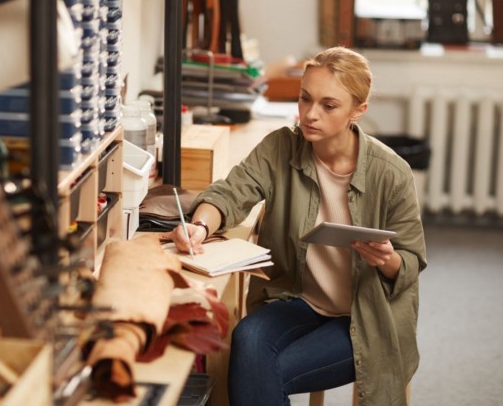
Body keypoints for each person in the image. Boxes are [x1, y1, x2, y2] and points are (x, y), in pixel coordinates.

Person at [170, 46, 427, 405]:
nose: (310, 114)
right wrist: (200, 224)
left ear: (358, 111)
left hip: (364, 317)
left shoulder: (392, 173)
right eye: (305, 99)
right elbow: (231, 192)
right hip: (297, 300)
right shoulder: (280, 147)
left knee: (257, 371)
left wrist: (387, 261)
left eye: (328, 105)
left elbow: (411, 262)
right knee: (248, 337)